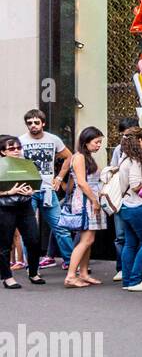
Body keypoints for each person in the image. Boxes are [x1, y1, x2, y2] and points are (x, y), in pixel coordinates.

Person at [20, 108, 73, 267]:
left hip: (48, 189)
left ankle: (71, 262)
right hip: (28, 191)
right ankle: (32, 266)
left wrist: (59, 177)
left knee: (60, 227)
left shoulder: (53, 139)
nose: (33, 126)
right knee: (28, 230)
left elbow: (69, 156)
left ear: (43, 123)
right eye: (30, 123)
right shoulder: (20, 141)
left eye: (36, 122)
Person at [110, 116, 142, 283]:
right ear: (139, 140)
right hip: (137, 205)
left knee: (130, 243)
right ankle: (136, 279)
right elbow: (136, 184)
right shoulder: (135, 160)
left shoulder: (123, 157)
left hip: (125, 205)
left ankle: (127, 278)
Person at [63, 127, 106, 288]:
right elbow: (81, 182)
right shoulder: (80, 157)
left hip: (87, 199)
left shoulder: (86, 157)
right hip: (85, 201)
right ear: (86, 141)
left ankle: (83, 273)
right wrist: (94, 201)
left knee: (87, 239)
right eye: (96, 142)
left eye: (100, 142)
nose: (98, 145)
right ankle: (71, 275)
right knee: (87, 239)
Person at [0, 135, 44, 289]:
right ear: (3, 152)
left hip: (25, 206)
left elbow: (35, 183)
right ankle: (7, 277)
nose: (17, 151)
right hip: (4, 208)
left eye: (19, 147)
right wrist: (8, 192)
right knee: (5, 244)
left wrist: (31, 190)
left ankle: (33, 272)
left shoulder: (26, 164)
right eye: (12, 148)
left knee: (33, 240)